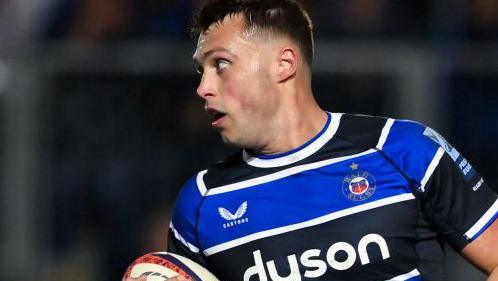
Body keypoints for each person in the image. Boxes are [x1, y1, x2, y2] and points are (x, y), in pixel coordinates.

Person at [129, 0, 498, 280]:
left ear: (284, 64)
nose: (203, 88)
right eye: (200, 70)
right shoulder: (201, 203)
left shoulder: (402, 149)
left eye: (220, 65)